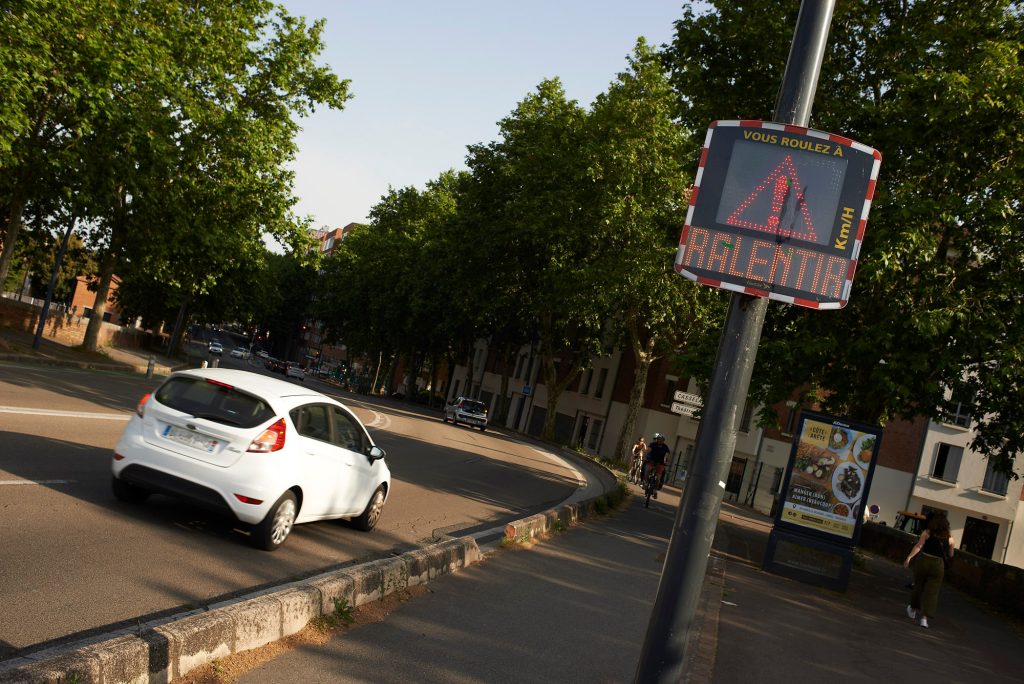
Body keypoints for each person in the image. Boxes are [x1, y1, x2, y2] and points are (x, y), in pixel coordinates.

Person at [903, 511, 955, 628]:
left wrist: (909, 558)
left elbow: (919, 546)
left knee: (918, 586)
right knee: (932, 592)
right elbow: (951, 555)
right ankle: (924, 619)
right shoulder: (950, 538)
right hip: (938, 565)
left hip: (924, 560)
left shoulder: (927, 532)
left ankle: (913, 608)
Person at [643, 433, 670, 499]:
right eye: (659, 439)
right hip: (651, 461)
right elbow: (648, 451)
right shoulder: (653, 444)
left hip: (660, 463)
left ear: (664, 440)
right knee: (647, 470)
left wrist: (666, 461)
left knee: (658, 478)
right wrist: (645, 457)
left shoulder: (665, 447)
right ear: (657, 439)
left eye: (662, 440)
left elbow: (667, 455)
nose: (660, 441)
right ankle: (646, 484)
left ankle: (655, 491)